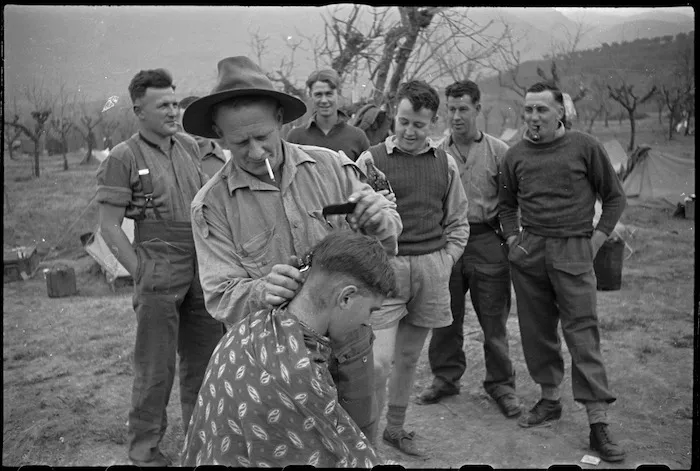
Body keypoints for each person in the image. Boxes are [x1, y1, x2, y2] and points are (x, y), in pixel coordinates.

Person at [181, 56, 403, 445]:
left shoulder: (332, 166)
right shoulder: (211, 204)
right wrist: (261, 289)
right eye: (239, 143)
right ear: (218, 134)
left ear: (281, 119)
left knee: (359, 435)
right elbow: (220, 295)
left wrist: (379, 223)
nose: (255, 151)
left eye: (263, 136)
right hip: (277, 363)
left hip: (349, 345)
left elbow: (386, 233)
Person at [95, 68, 225, 467]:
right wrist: (140, 271)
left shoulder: (190, 147)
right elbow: (108, 226)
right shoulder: (123, 156)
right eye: (162, 105)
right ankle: (145, 450)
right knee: (155, 367)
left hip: (200, 265)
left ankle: (201, 445)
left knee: (204, 362)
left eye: (175, 102)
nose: (173, 111)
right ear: (138, 110)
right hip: (155, 262)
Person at [181, 231, 395, 467]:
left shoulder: (247, 328)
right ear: (346, 298)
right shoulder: (300, 379)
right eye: (371, 310)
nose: (367, 322)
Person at [498, 81, 627, 463]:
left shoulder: (585, 146)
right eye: (529, 110)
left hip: (575, 248)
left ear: (560, 113)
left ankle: (597, 423)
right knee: (536, 331)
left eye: (542, 109)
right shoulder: (515, 155)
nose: (534, 117)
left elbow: (615, 197)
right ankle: (549, 400)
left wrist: (595, 242)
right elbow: (506, 206)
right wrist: (512, 242)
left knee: (582, 333)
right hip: (530, 250)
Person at [355, 80, 469, 456]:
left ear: (434, 123)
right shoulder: (371, 160)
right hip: (383, 270)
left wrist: (446, 261)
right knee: (378, 362)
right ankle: (365, 439)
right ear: (395, 117)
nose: (409, 131)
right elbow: (351, 218)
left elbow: (458, 221)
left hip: (430, 270)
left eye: (419, 125)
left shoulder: (445, 163)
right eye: (403, 122)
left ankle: (397, 429)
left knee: (407, 358)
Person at [417, 80, 521, 419]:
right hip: (446, 241)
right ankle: (445, 378)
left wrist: (510, 240)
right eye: (451, 110)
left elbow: (511, 202)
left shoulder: (499, 151)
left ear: (478, 109)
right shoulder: (434, 152)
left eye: (464, 109)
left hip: (487, 238)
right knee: (445, 315)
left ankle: (501, 384)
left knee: (493, 319)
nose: (457, 116)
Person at [286, 69, 370, 161]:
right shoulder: (296, 137)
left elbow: (367, 173)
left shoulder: (357, 137)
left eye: (329, 94)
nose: (324, 100)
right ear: (311, 95)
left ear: (337, 94)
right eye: (318, 95)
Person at [177, 95, 229, 179]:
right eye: (188, 123)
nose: (194, 128)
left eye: (198, 121)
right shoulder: (172, 161)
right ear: (178, 125)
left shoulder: (230, 160)